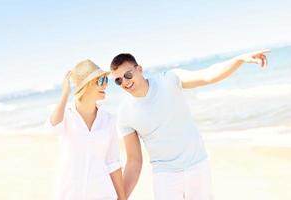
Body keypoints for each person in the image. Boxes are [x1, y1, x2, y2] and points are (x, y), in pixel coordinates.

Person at [110, 50, 270, 200]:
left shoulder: (169, 79)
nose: (125, 82)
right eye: (118, 80)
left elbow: (208, 76)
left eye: (128, 74)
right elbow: (134, 161)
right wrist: (121, 197)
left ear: (139, 69)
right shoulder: (124, 113)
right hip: (165, 175)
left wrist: (239, 59)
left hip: (197, 166)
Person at [48, 59, 126, 200]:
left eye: (106, 80)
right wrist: (65, 94)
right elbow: (53, 128)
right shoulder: (66, 116)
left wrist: (122, 198)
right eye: (101, 81)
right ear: (86, 86)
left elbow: (113, 163)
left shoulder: (108, 120)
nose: (106, 85)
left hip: (103, 195)